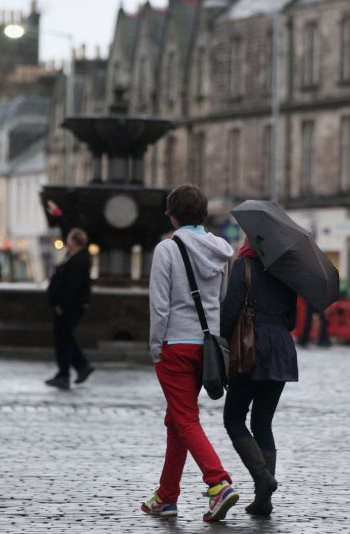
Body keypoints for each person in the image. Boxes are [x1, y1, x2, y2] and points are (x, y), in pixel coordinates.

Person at [142, 184, 239, 522]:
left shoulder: (167, 250)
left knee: (185, 419)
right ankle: (166, 496)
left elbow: (160, 305)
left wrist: (156, 348)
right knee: (176, 421)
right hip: (207, 347)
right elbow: (222, 298)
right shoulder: (221, 250)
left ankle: (218, 484)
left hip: (176, 346)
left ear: (172, 214)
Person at [221, 239, 298, 518]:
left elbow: (230, 310)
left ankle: (262, 479)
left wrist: (222, 338)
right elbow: (292, 320)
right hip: (281, 348)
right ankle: (263, 499)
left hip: (251, 347)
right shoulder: (286, 270)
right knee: (263, 422)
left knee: (233, 418)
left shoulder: (244, 264)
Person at [45, 227, 95, 389]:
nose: (67, 242)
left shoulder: (78, 260)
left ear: (74, 242)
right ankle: (78, 368)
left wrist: (61, 304)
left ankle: (70, 371)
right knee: (65, 338)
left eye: (69, 239)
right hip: (69, 305)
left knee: (64, 338)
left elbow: (71, 286)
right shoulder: (74, 257)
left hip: (69, 307)